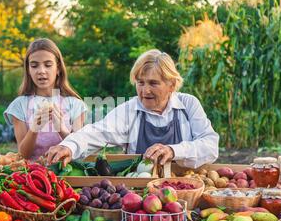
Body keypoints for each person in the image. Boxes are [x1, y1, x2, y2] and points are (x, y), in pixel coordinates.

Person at [46, 49, 219, 168]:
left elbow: (210, 146)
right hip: (140, 195)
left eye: (153, 83)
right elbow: (96, 132)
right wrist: (68, 146)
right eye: (140, 82)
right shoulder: (129, 110)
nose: (145, 91)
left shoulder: (188, 105)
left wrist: (173, 151)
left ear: (172, 84)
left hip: (185, 186)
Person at [4, 38, 86, 161]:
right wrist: (34, 129)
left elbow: (80, 152)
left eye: (48, 65)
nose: (41, 71)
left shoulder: (76, 105)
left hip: (68, 175)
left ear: (58, 68)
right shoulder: (19, 106)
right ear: (28, 70)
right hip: (33, 176)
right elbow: (22, 156)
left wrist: (62, 129)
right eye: (34, 65)